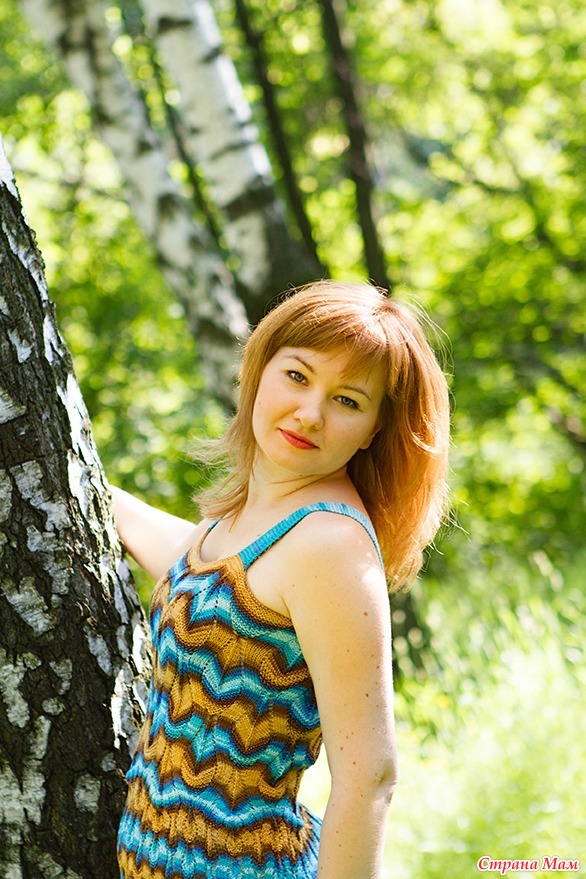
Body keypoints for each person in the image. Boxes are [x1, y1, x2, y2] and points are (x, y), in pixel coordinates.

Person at [113, 280, 450, 879]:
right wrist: (93, 491)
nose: (310, 414)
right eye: (297, 376)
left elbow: (369, 777)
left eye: (347, 401)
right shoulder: (259, 516)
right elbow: (204, 583)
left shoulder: (330, 544)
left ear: (373, 429)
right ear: (260, 368)